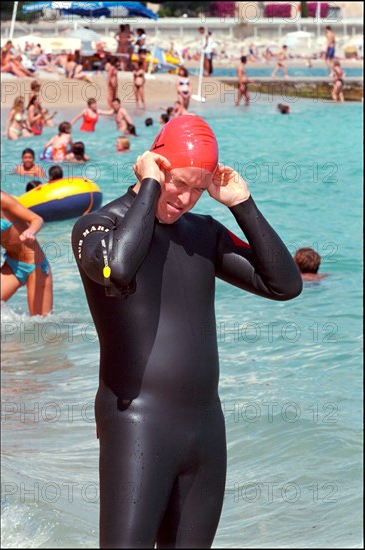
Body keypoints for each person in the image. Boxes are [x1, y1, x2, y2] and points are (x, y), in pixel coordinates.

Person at [71, 114, 302, 548]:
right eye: (178, 183)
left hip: (204, 429)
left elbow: (285, 284)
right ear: (155, 165)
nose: (186, 199)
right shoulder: (98, 226)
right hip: (136, 422)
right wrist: (151, 189)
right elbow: (118, 269)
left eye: (198, 190)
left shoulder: (202, 234)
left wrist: (241, 205)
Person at [1, 190, 53, 316]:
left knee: (41, 326)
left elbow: (36, 219)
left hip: (36, 266)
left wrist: (30, 231)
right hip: (12, 265)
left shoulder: (3, 200)